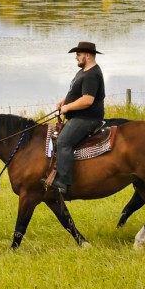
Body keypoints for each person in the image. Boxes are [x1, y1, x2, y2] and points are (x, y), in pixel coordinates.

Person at [49, 41, 106, 195]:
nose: (76, 58)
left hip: (87, 119)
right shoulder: (84, 71)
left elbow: (87, 100)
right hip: (79, 117)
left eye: (78, 54)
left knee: (64, 141)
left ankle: (63, 183)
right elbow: (76, 92)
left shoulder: (92, 75)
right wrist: (64, 101)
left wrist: (67, 107)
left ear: (87, 55)